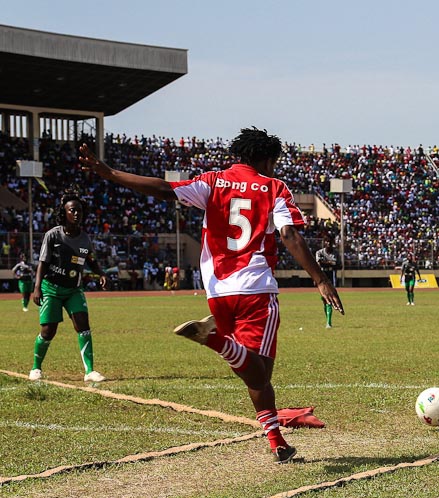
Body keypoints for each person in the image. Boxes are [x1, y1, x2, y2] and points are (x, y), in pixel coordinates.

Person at [79, 127, 344, 463]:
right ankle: (214, 340)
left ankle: (277, 442)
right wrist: (320, 280)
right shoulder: (274, 187)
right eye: (274, 162)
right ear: (266, 159)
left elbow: (164, 189)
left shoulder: (214, 181)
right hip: (255, 289)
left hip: (217, 292)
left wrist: (110, 173)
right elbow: (289, 233)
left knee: (254, 374)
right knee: (260, 374)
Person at [30, 189, 108, 383]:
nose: (76, 214)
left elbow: (91, 259)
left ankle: (89, 371)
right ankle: (36, 368)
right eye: (72, 210)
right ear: (63, 213)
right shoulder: (52, 236)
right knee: (48, 331)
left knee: (83, 325)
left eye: (79, 211)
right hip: (51, 289)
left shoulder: (85, 238)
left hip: (74, 289)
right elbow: (43, 263)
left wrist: (101, 273)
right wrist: (37, 287)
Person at [314, 238, 338, 328]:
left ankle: (329, 322)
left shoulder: (335, 253)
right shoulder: (319, 252)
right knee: (324, 299)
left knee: (329, 298)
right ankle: (328, 319)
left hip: (331, 276)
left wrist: (326, 263)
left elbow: (336, 264)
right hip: (321, 276)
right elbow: (319, 264)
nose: (329, 244)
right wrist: (329, 263)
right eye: (327, 242)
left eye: (330, 243)